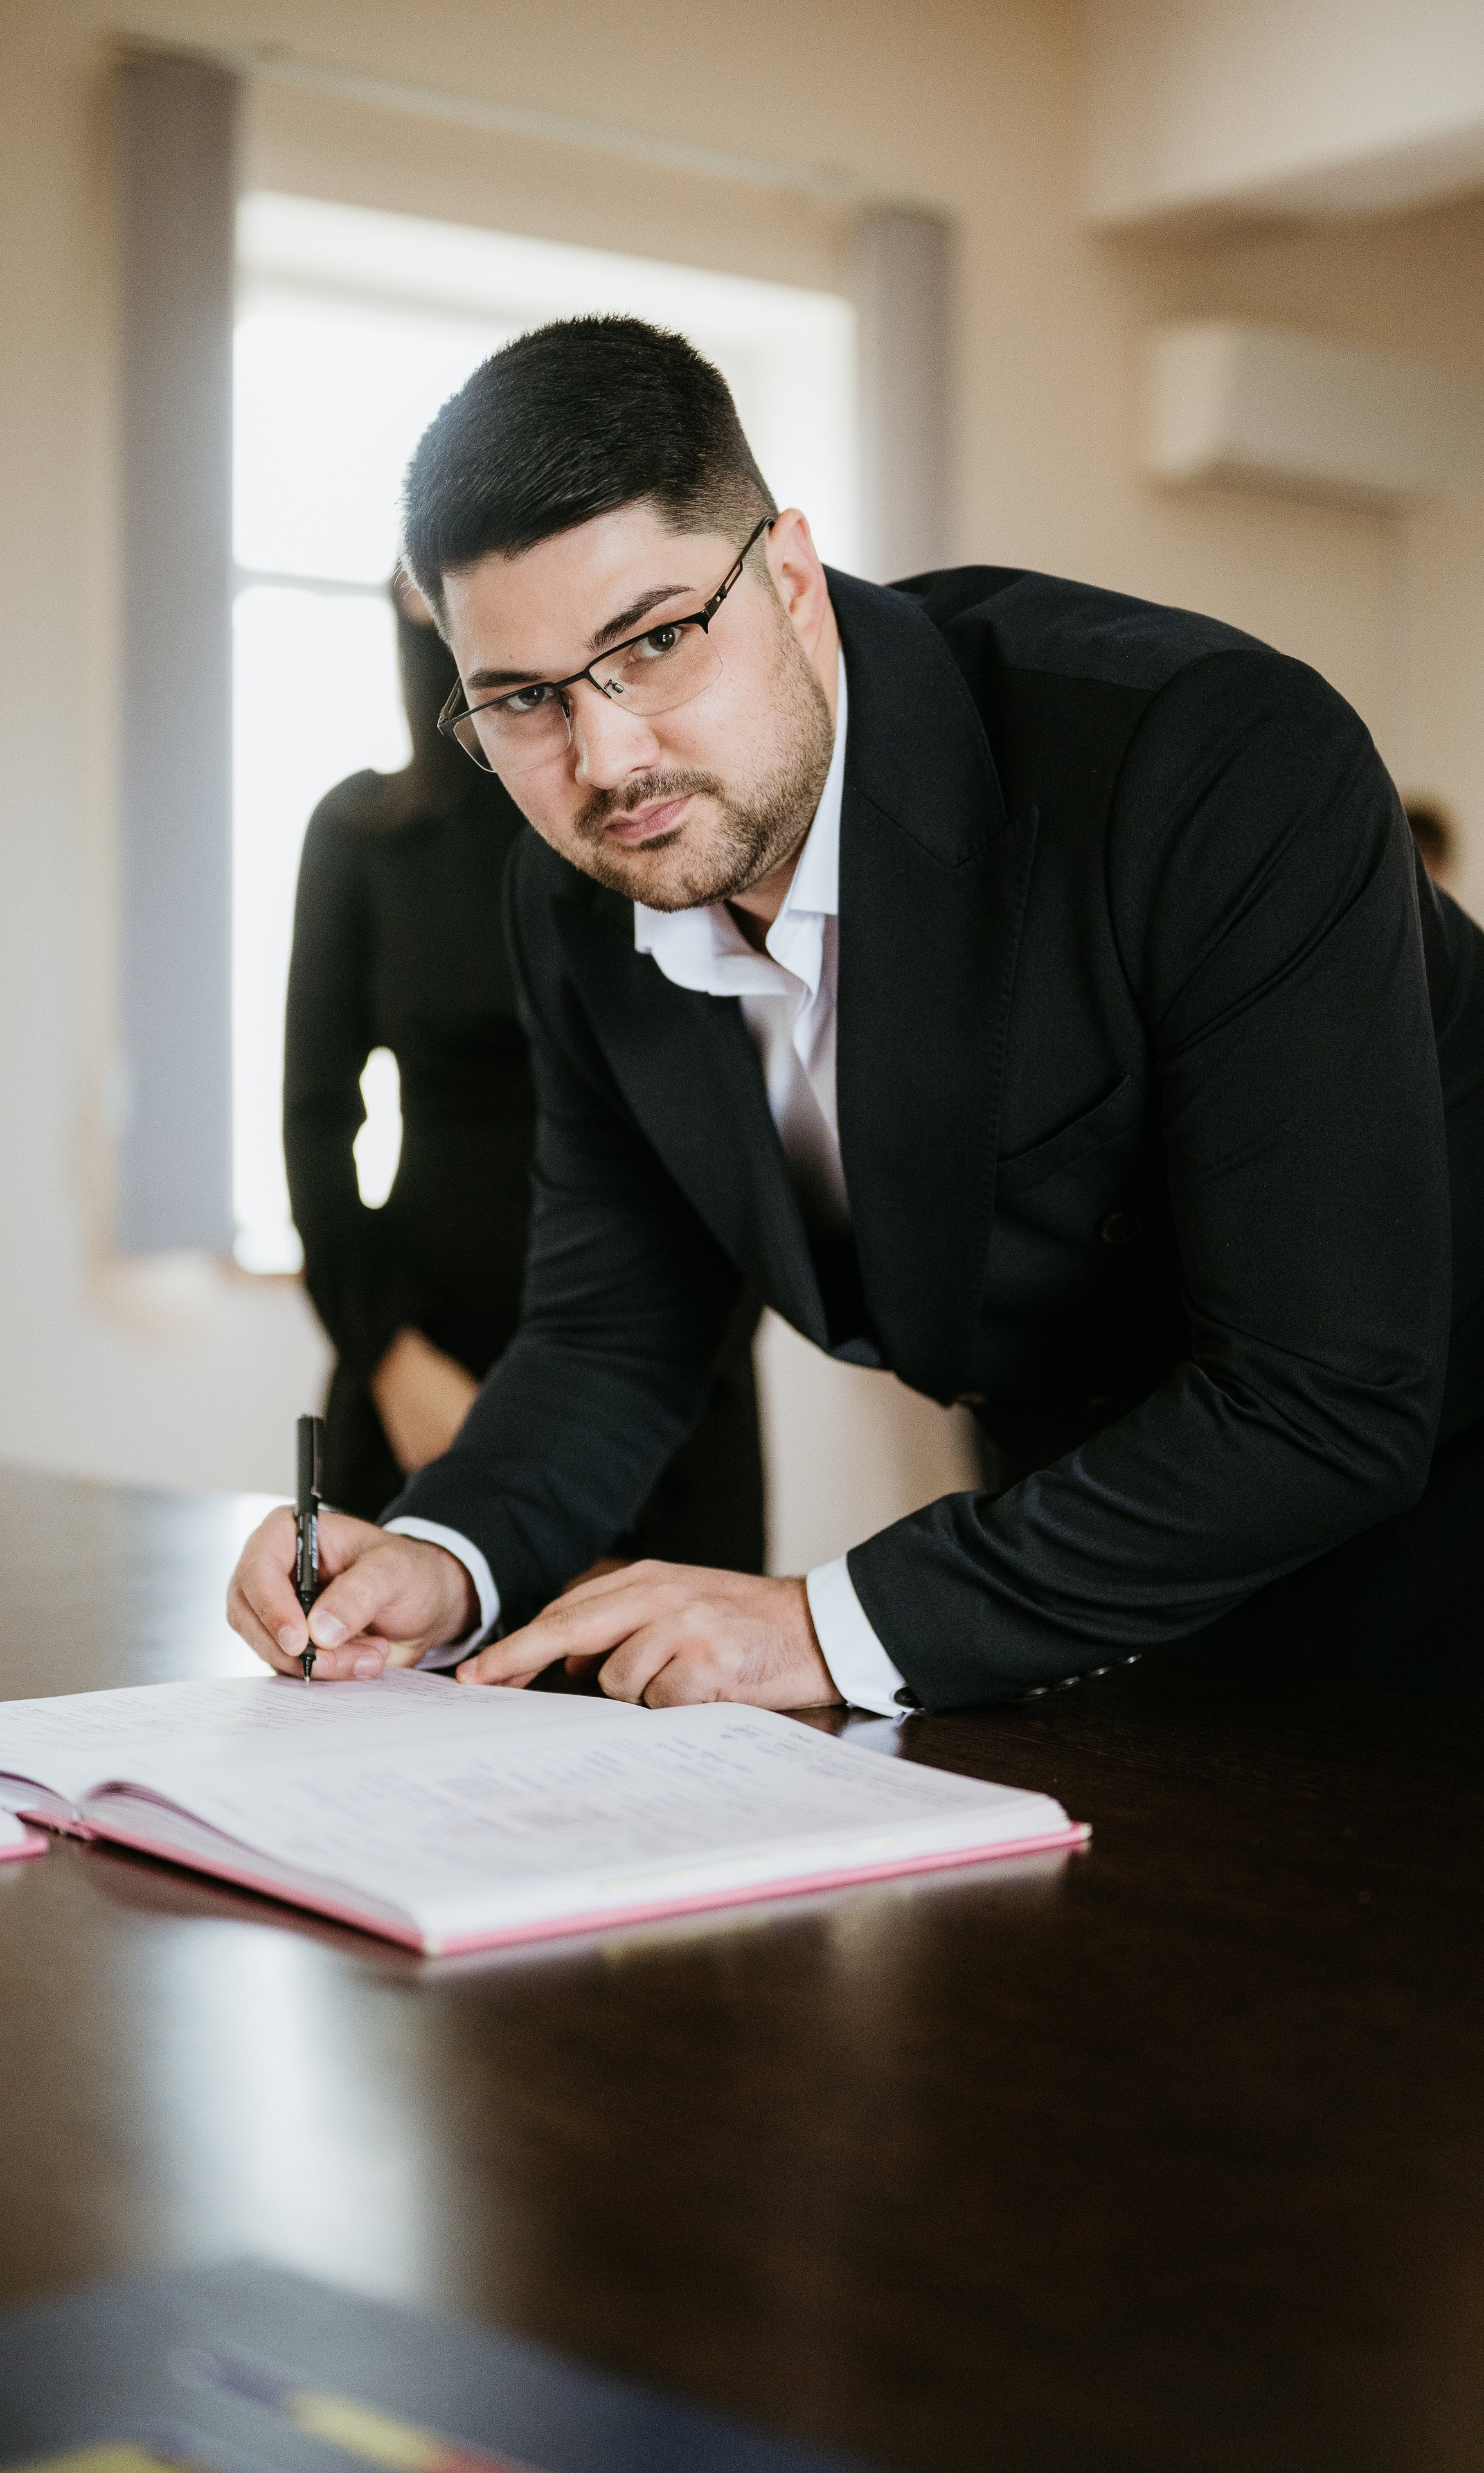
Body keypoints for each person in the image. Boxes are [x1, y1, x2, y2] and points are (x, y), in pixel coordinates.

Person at [230, 316, 1484, 1713]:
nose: (604, 758)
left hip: (1441, 1530)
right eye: (520, 699)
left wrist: (817, 1627)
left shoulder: (1211, 763)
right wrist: (442, 1558)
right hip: (1071, 1566)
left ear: (790, 578)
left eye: (649, 643)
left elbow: (1323, 1397)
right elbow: (614, 1326)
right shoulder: (572, 895)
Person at [282, 567, 765, 1575]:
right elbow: (315, 1119)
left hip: (664, 1361)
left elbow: (742, 1116)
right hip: (424, 1351)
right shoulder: (363, 836)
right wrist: (392, 1359)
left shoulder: (649, 827)